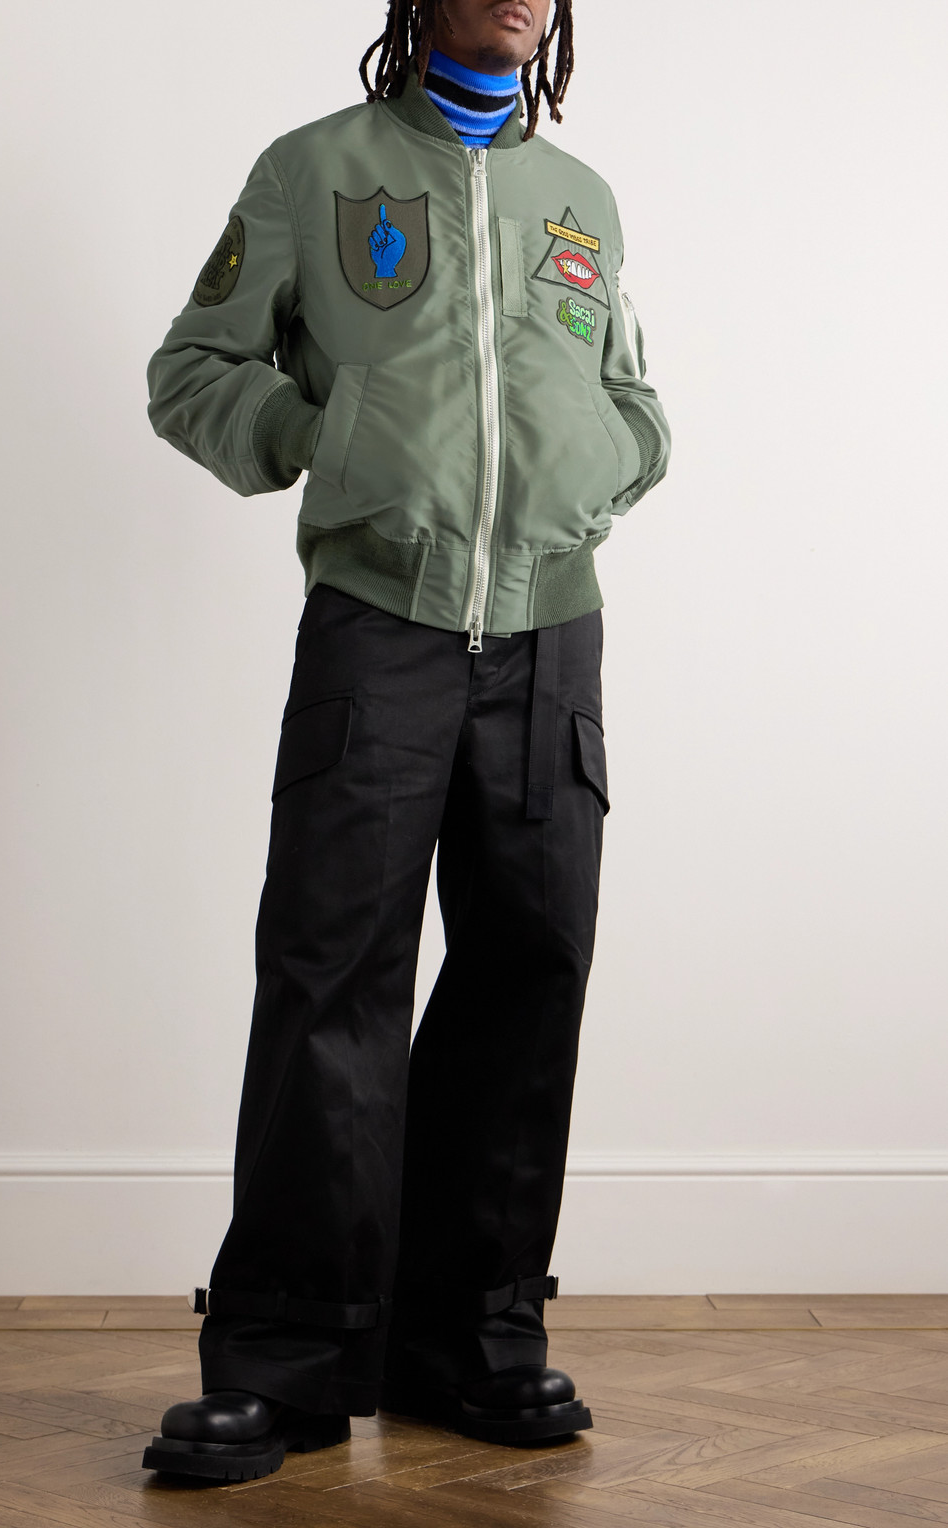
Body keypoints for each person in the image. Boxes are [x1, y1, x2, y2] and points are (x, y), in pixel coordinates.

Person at [141, 0, 670, 1484]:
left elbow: (631, 396)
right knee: (333, 976)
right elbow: (191, 372)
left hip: (552, 636)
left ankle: (471, 1338)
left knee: (529, 973)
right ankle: (285, 1361)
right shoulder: (313, 169)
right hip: (380, 627)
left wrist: (611, 456)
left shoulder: (579, 196)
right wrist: (331, 436)